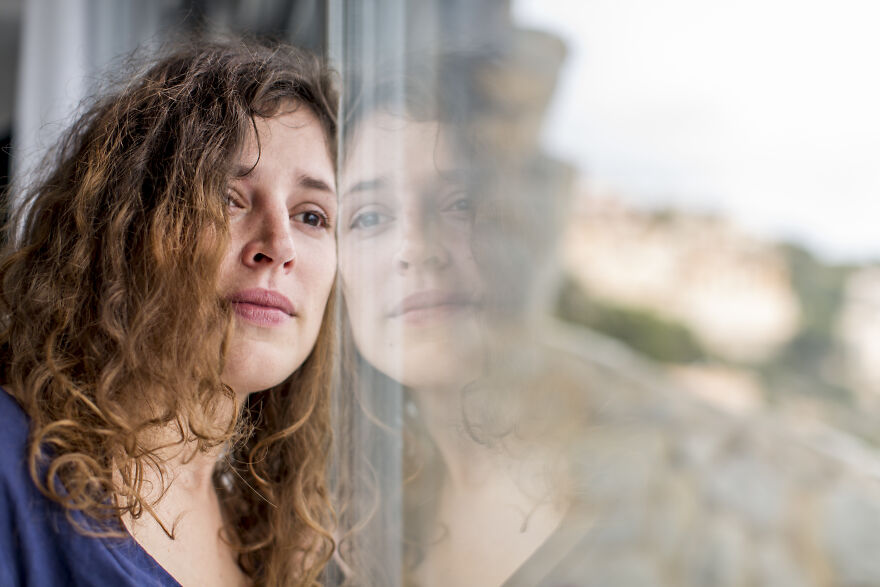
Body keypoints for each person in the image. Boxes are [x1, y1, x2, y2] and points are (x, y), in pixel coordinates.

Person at [0, 39, 338, 586]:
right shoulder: (9, 466)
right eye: (227, 198)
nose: (279, 246)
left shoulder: (275, 536)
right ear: (125, 226)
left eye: (312, 216)